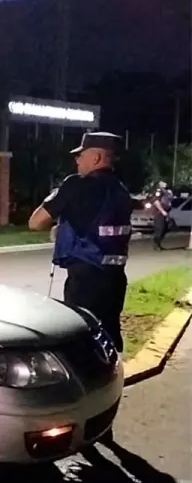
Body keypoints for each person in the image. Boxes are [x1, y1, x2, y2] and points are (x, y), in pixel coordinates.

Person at [28, 131, 133, 352]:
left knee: (81, 342)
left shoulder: (76, 185)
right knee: (109, 340)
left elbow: (35, 222)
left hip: (85, 280)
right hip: (115, 280)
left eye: (81, 155)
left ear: (95, 158)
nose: (77, 160)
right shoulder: (121, 191)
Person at [151, 180, 174, 250]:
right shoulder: (159, 192)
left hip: (166, 212)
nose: (165, 183)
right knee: (160, 228)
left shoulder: (167, 191)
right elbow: (156, 201)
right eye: (163, 182)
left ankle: (158, 243)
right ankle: (156, 244)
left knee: (168, 226)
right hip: (159, 213)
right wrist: (162, 211)